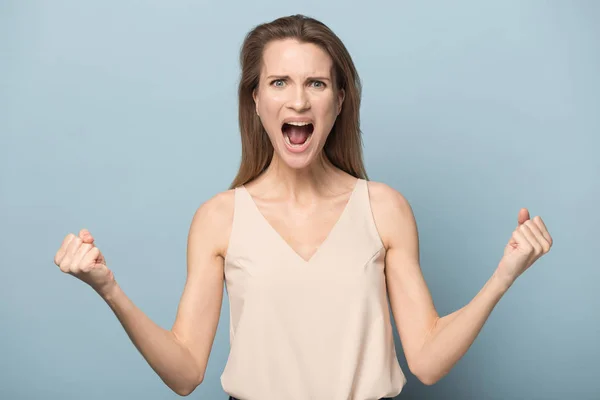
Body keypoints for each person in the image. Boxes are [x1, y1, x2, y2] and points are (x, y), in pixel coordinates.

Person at [52, 14, 553, 400]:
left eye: (316, 83)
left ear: (339, 101)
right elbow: (185, 371)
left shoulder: (384, 208)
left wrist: (505, 274)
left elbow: (425, 360)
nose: (298, 101)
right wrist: (109, 289)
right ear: (255, 101)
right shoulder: (218, 218)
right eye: (279, 82)